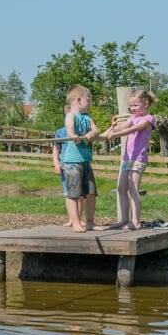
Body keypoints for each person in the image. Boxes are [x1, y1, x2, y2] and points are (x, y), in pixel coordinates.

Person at [98, 90, 157, 231]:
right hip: (127, 159)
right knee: (121, 188)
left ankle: (135, 221)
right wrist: (107, 131)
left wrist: (115, 134)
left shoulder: (148, 119)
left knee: (133, 188)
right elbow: (123, 127)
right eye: (131, 106)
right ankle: (124, 220)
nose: (132, 108)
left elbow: (131, 130)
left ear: (146, 103)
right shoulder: (132, 118)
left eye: (136, 105)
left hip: (138, 159)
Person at [61, 85, 100, 233]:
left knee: (90, 193)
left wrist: (92, 133)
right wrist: (73, 135)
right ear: (78, 100)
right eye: (88, 100)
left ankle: (90, 222)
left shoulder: (87, 117)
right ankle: (76, 222)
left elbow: (96, 129)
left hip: (85, 160)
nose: (90, 103)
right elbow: (70, 130)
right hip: (72, 161)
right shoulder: (71, 116)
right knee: (74, 194)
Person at [50, 104, 80, 227]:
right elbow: (56, 148)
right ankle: (72, 218)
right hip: (66, 165)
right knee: (68, 193)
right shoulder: (61, 132)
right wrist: (56, 163)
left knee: (80, 194)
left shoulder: (81, 131)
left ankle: (78, 217)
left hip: (79, 163)